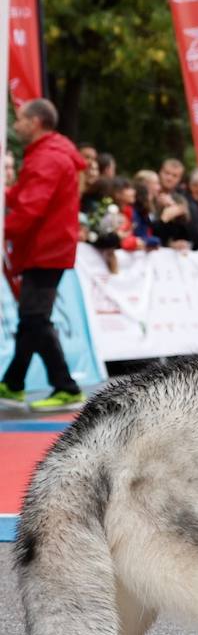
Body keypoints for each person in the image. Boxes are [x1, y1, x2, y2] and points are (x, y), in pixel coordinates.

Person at [0, 99, 88, 412]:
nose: (16, 125)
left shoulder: (47, 158)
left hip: (44, 248)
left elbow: (30, 208)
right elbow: (26, 196)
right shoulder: (50, 154)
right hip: (47, 247)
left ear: (36, 122)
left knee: (35, 318)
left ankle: (64, 386)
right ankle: (13, 384)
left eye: (21, 120)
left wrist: (4, 229)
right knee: (32, 319)